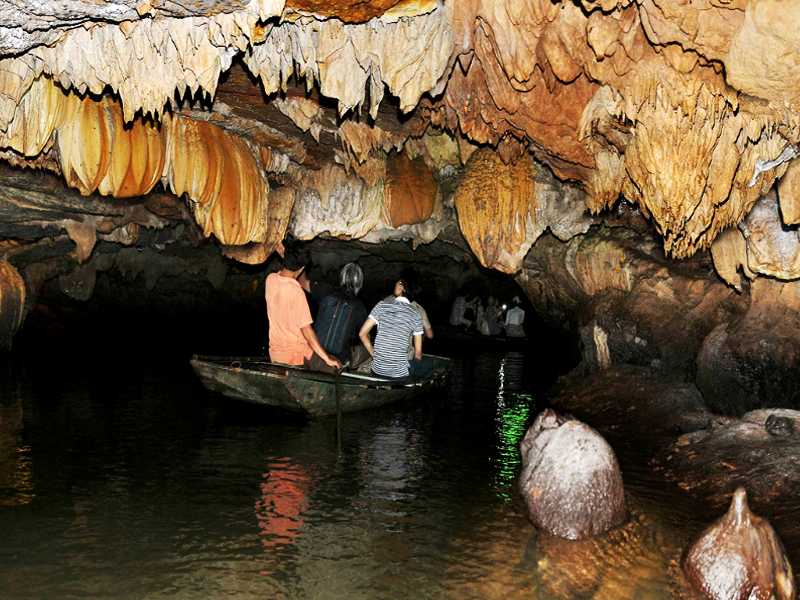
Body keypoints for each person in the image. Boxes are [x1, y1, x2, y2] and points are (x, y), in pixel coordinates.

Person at [264, 242, 342, 371]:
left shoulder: (270, 280)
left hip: (276, 353)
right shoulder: (296, 292)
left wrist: (287, 254)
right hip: (296, 355)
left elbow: (289, 266)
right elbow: (307, 331)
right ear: (302, 268)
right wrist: (327, 359)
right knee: (336, 365)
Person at [359, 278, 426, 379]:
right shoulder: (415, 314)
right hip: (399, 375)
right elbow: (418, 354)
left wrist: (373, 353)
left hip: (377, 370)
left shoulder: (381, 306)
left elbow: (362, 334)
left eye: (398, 283)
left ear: (402, 288)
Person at [313, 262, 369, 367]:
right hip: (339, 358)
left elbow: (304, 283)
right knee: (366, 344)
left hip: (316, 350)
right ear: (359, 283)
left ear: (341, 277)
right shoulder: (359, 307)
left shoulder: (325, 291)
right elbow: (364, 334)